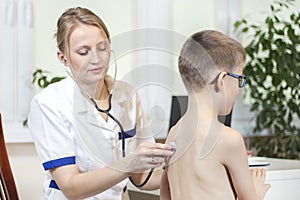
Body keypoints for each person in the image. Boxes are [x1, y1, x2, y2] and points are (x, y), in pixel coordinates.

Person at [28, 7, 174, 200]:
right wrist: (130, 163)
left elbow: (141, 178)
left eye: (102, 48)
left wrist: (181, 167)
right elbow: (71, 188)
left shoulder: (127, 95)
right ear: (63, 58)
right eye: (83, 52)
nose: (96, 59)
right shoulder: (49, 104)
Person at [160, 30, 271, 200]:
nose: (239, 88)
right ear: (222, 80)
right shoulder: (228, 139)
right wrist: (257, 191)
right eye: (240, 79)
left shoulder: (173, 135)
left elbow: (165, 196)